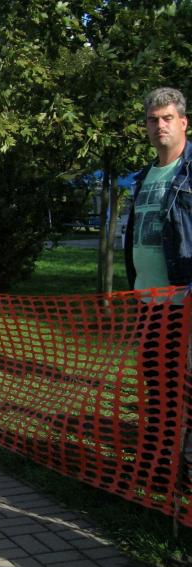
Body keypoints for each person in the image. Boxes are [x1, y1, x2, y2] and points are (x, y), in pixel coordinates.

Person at [123, 87, 191, 483]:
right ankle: (160, 463)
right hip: (148, 300)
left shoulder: (189, 172)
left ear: (183, 122)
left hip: (184, 300)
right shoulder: (144, 176)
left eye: (167, 118)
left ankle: (180, 469)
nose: (159, 125)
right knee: (157, 384)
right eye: (152, 119)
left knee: (182, 388)